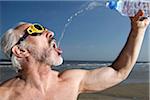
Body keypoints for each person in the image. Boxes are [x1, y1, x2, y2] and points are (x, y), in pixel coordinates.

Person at [0, 10, 149, 100]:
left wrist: (138, 30)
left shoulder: (71, 81)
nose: (50, 32)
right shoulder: (4, 95)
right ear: (20, 50)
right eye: (36, 29)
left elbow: (118, 72)